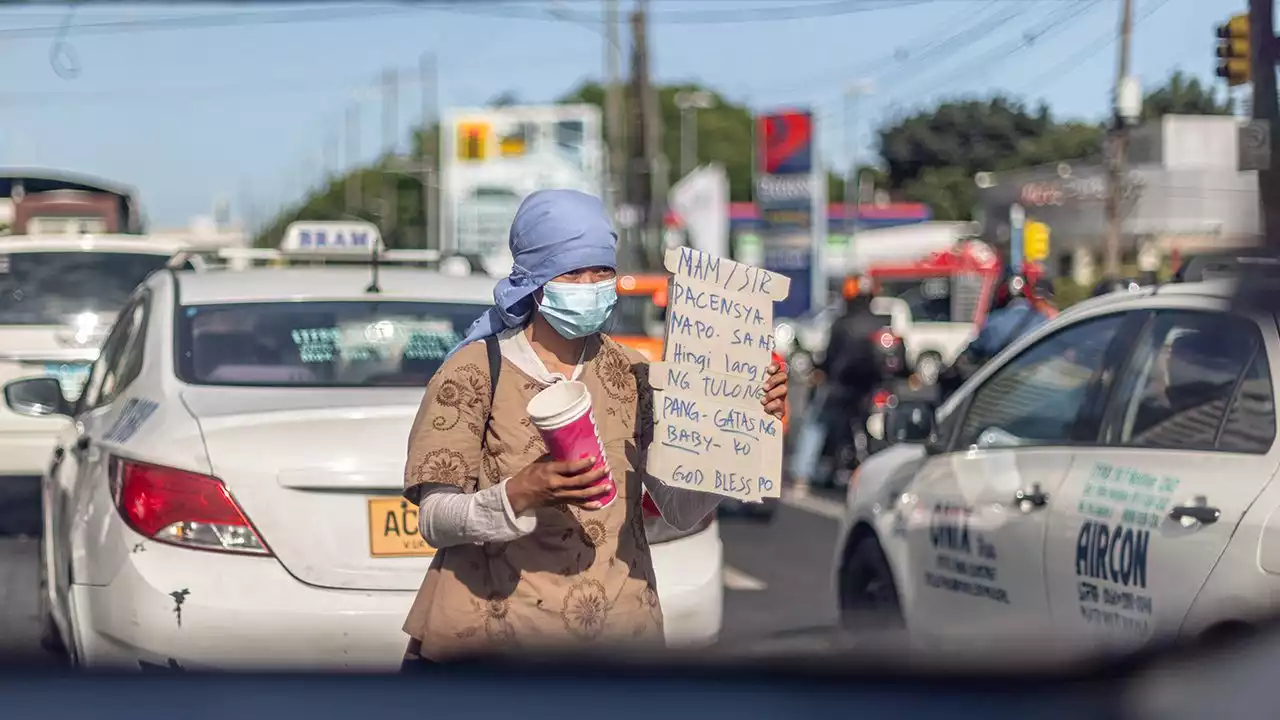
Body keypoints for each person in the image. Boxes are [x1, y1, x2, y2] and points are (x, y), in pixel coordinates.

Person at [398, 189, 788, 666]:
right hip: (493, 644)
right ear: (536, 281)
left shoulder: (632, 372)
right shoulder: (476, 371)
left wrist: (734, 435)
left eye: (601, 271)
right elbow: (434, 519)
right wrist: (520, 492)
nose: (590, 284)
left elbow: (679, 509)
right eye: (572, 273)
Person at [788, 276, 883, 487]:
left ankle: (802, 474)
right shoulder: (881, 323)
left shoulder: (841, 324)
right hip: (871, 390)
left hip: (839, 388)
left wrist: (819, 371)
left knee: (814, 424)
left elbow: (829, 358)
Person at [938, 273, 1058, 399]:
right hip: (1042, 395)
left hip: (999, 398)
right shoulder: (1044, 321)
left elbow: (968, 356)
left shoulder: (993, 322)